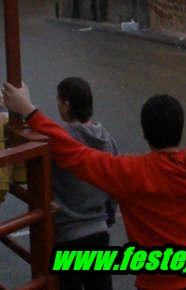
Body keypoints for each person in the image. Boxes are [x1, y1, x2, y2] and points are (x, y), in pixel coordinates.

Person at [2, 83, 186, 290]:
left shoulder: (130, 172)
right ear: (180, 128)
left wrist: (30, 111)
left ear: (145, 133)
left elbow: (74, 153)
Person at [53, 77, 118, 290]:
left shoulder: (60, 141)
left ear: (67, 105)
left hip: (67, 233)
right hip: (98, 229)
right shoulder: (107, 140)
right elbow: (114, 186)